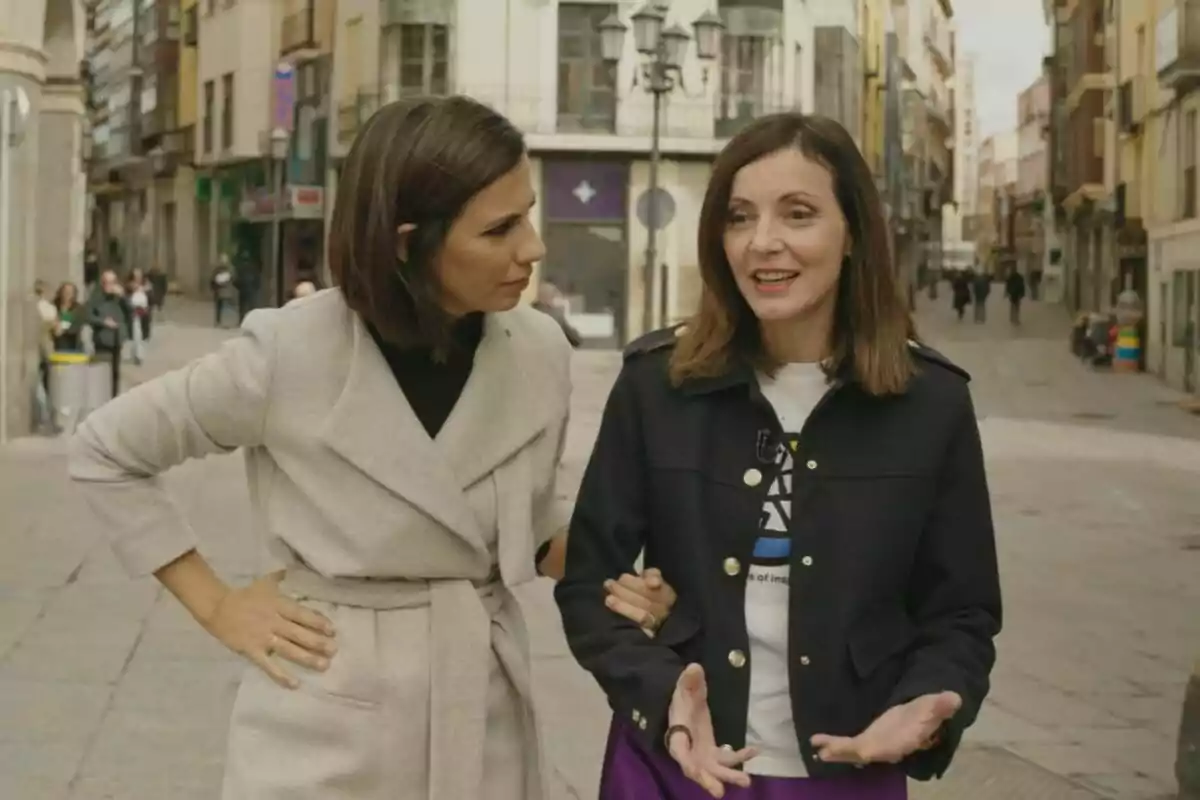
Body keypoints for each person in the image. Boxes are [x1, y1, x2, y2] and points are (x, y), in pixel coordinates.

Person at [69, 95, 671, 800]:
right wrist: (218, 606)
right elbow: (107, 450)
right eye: (501, 229)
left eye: (529, 215)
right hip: (325, 709)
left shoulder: (539, 351)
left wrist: (618, 566)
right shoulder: (289, 353)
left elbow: (522, 525)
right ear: (406, 241)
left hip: (483, 709)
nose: (533, 248)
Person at [556, 113, 1002, 800]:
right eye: (739, 217)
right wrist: (662, 690)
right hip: (672, 768)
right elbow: (590, 583)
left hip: (848, 768)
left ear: (852, 233)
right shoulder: (658, 384)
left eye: (798, 214)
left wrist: (931, 699)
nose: (763, 243)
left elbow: (962, 613)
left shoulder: (931, 404)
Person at [84, 268, 129, 397]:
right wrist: (103, 321)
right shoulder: (96, 297)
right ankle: (101, 395)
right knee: (102, 370)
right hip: (102, 339)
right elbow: (87, 315)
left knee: (115, 372)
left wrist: (124, 297)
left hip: (117, 339)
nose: (109, 285)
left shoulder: (119, 298)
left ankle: (113, 396)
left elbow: (131, 312)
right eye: (106, 282)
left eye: (112, 282)